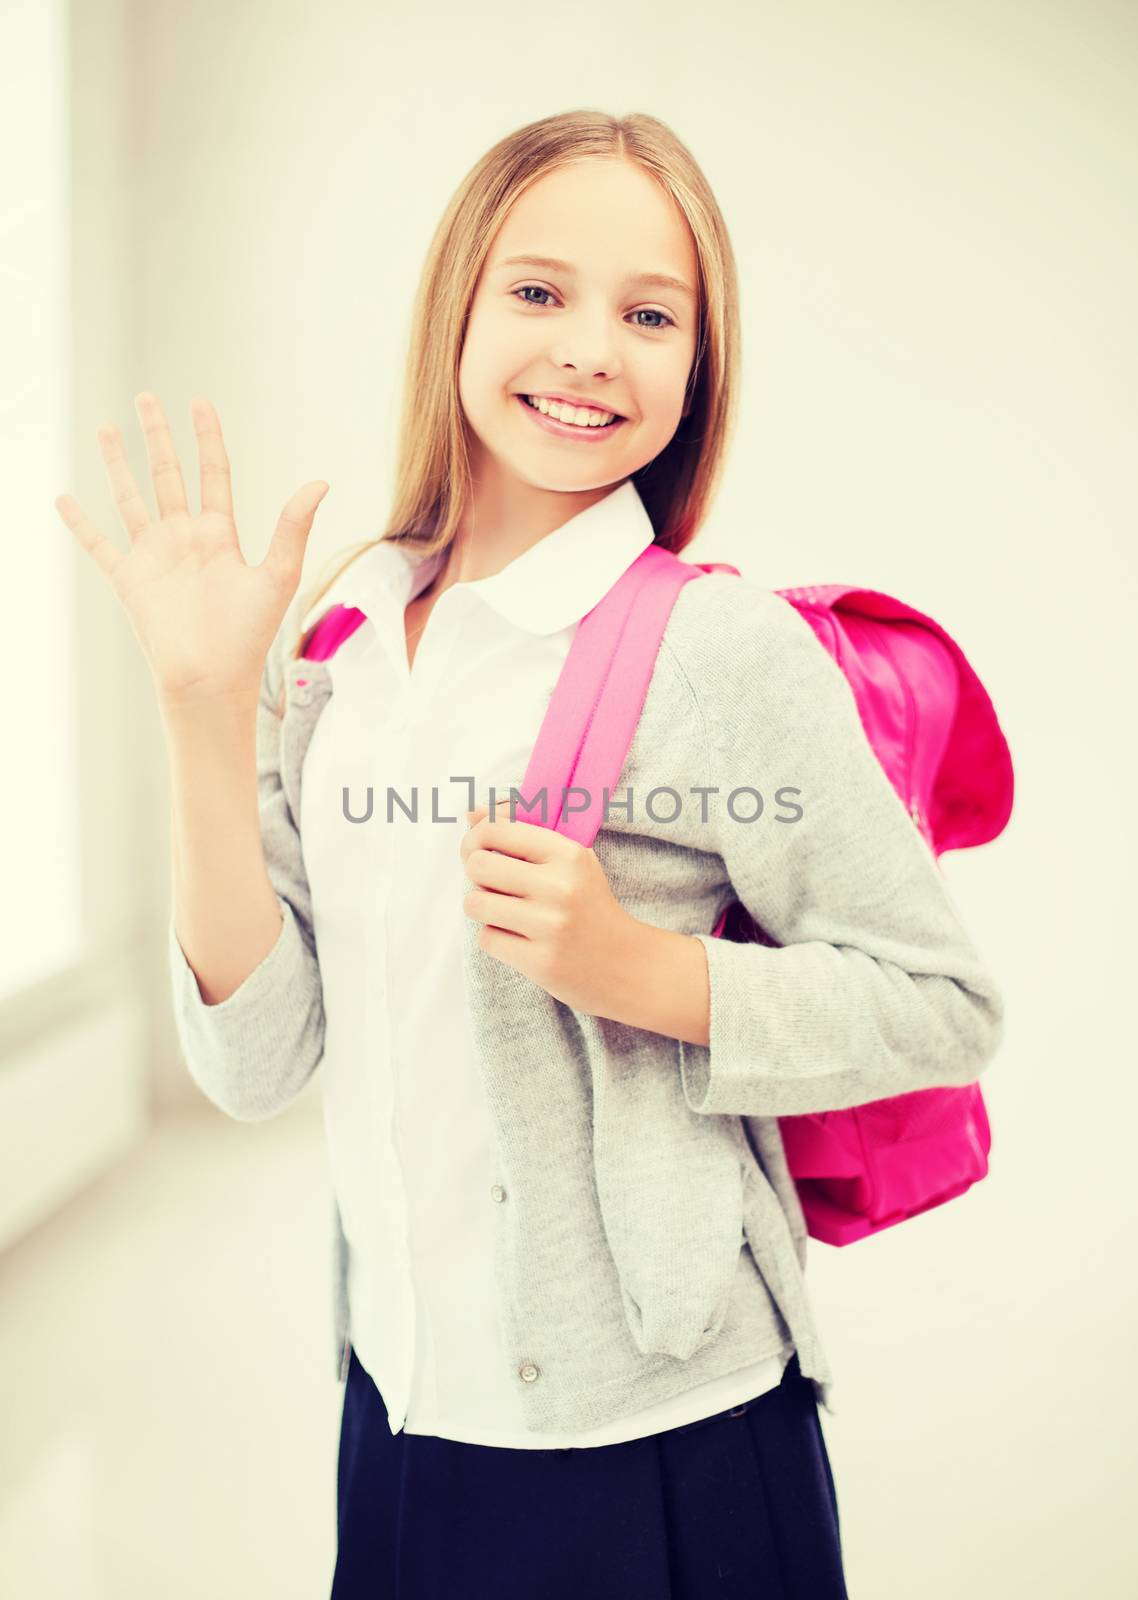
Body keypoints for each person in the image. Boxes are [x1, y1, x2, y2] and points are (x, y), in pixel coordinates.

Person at [55, 108, 1005, 1600]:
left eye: (648, 314)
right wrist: (200, 706)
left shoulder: (717, 648)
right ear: (460, 309)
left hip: (664, 1441)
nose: (588, 350)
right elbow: (256, 1062)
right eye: (540, 292)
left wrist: (644, 973)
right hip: (400, 1407)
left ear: (696, 369)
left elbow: (942, 1003)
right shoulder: (343, 638)